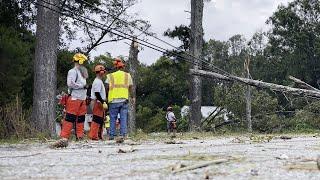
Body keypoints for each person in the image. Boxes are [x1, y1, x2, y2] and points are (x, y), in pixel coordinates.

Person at [51, 53, 88, 148]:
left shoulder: (82, 72)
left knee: (81, 119)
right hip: (74, 98)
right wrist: (82, 86)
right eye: (83, 61)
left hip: (82, 98)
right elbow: (70, 84)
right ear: (80, 60)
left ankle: (80, 136)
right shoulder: (72, 71)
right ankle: (64, 137)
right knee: (69, 118)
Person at [105, 58, 134, 142]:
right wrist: (132, 97)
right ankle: (123, 134)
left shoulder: (110, 76)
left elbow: (106, 87)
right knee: (123, 118)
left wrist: (106, 97)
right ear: (123, 67)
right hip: (124, 100)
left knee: (113, 118)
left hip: (113, 100)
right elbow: (131, 87)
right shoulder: (127, 75)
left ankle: (112, 135)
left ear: (115, 67)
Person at [88, 64, 108, 140]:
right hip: (97, 102)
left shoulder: (99, 81)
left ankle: (98, 136)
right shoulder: (97, 82)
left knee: (100, 120)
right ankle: (93, 136)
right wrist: (102, 102)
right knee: (96, 119)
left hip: (99, 102)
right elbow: (97, 93)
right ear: (100, 72)